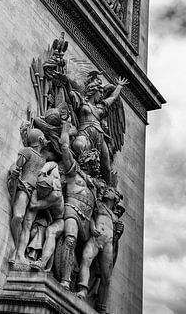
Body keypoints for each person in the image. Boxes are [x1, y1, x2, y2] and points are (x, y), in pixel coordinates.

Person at [56, 119, 100, 289]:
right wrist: (65, 129)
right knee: (70, 239)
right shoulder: (73, 171)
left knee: (86, 256)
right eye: (91, 159)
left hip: (87, 222)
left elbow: (95, 208)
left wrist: (94, 225)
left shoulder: (94, 185)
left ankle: (80, 286)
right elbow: (65, 148)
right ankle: (65, 280)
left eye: (95, 160)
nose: (94, 162)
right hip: (72, 210)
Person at [70, 71, 127, 184]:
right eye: (100, 92)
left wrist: (119, 86)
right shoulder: (82, 102)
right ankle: (78, 175)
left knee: (106, 165)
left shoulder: (101, 107)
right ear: (93, 91)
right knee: (78, 146)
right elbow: (70, 93)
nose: (101, 95)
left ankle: (107, 189)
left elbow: (113, 97)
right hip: (84, 132)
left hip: (99, 136)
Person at [76, 185, 123, 313]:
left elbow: (116, 237)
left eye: (111, 191)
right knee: (86, 259)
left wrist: (119, 233)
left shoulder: (115, 217)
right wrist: (91, 227)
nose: (107, 191)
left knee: (106, 277)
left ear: (116, 198)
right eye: (107, 190)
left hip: (108, 244)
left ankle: (101, 307)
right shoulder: (99, 204)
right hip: (96, 238)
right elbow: (90, 216)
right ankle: (82, 290)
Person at [8, 127, 47, 266]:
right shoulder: (27, 151)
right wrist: (13, 171)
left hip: (36, 195)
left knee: (28, 226)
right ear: (41, 139)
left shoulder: (44, 158)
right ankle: (15, 246)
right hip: (24, 188)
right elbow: (16, 165)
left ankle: (19, 254)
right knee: (18, 216)